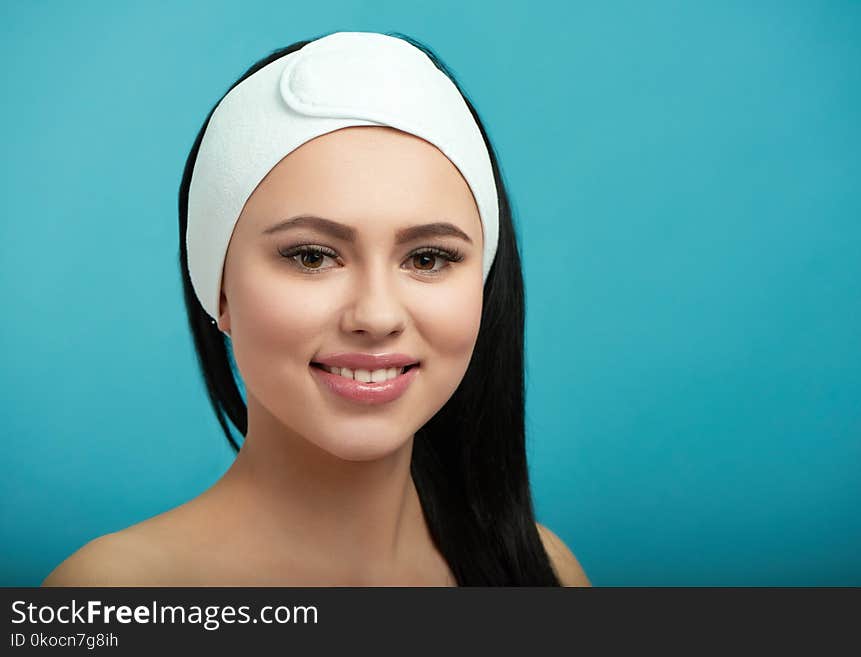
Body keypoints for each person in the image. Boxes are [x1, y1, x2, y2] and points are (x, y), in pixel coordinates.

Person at [43, 30, 590, 587]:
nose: (376, 316)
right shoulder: (113, 596)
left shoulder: (549, 574)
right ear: (220, 290)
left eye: (427, 258)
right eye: (311, 256)